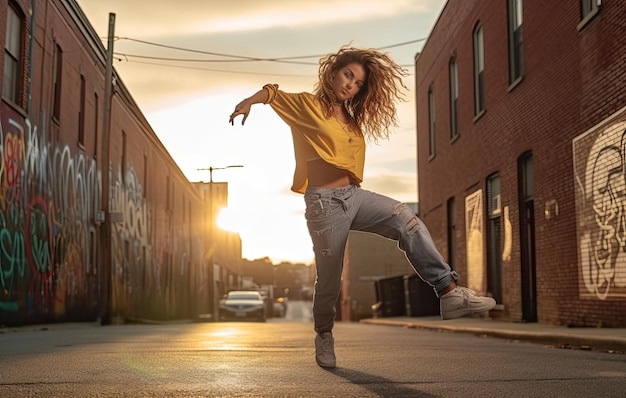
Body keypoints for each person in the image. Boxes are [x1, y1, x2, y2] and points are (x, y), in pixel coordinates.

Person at [229, 45, 496, 369]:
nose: (350, 85)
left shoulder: (351, 119)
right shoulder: (307, 105)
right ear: (333, 72)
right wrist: (249, 103)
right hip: (324, 204)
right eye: (348, 76)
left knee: (405, 219)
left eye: (357, 83)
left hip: (354, 196)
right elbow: (272, 93)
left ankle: (449, 292)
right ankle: (324, 335)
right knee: (329, 279)